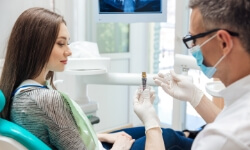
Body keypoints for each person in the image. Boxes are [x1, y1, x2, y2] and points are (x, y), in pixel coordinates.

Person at [0, 7, 201, 150]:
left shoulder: (20, 92)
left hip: (93, 144)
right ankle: (209, 140)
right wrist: (120, 146)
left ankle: (194, 135)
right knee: (167, 137)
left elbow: (59, 139)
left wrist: (104, 135)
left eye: (67, 43)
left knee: (160, 133)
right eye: (61, 44)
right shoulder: (46, 100)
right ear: (36, 46)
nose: (69, 51)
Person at [151, 0, 250, 149]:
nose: (193, 48)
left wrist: (150, 123)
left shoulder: (221, 139)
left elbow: (229, 131)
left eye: (193, 40)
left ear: (223, 42)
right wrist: (195, 96)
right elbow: (230, 119)